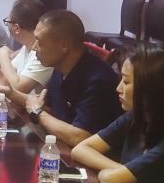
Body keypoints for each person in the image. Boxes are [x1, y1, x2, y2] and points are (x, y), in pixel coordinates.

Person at [70, 43, 164, 183]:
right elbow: (80, 150)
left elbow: (110, 179)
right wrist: (125, 171)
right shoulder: (138, 115)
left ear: (151, 87)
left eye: (126, 82)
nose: (118, 88)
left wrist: (122, 173)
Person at [25, 9, 120, 147]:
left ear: (64, 45)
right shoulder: (60, 68)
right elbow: (43, 105)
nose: (34, 47)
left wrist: (38, 113)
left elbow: (80, 137)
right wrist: (10, 92)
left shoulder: (99, 80)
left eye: (39, 41)